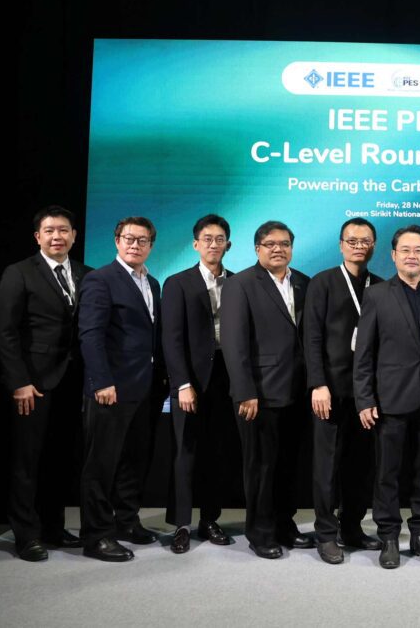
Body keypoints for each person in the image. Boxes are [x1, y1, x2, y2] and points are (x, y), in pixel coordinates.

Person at [353, 225, 420, 569]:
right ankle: (389, 537)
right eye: (406, 250)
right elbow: (364, 353)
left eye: (418, 250)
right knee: (388, 473)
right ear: (394, 255)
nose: (412, 256)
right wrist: (365, 399)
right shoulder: (377, 295)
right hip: (390, 400)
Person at [0, 205, 90, 561]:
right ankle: (26, 535)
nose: (57, 236)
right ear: (38, 237)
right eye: (49, 231)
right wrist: (18, 381)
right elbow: (5, 332)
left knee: (61, 459)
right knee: (27, 461)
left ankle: (53, 527)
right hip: (32, 383)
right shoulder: (18, 273)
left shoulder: (87, 274)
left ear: (74, 236)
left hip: (74, 382)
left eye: (63, 230)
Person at [222, 220, 313, 559]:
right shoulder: (240, 284)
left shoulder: (303, 282)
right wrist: (245, 391)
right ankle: (260, 533)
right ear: (257, 248)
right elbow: (233, 342)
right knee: (261, 466)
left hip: (297, 391)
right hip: (258, 394)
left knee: (289, 465)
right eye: (270, 244)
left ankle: (284, 526)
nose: (278, 249)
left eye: (284, 244)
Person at [79, 217, 166, 562]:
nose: (135, 245)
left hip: (145, 390)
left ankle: (126, 522)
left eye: (142, 240)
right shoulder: (100, 279)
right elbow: (90, 335)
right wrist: (101, 381)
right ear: (117, 241)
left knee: (133, 461)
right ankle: (96, 535)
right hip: (110, 389)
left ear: (151, 246)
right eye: (128, 238)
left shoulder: (152, 283)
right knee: (101, 465)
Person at [304, 219, 383, 564]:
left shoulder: (380, 285)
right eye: (352, 240)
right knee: (327, 466)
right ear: (341, 245)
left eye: (365, 241)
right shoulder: (322, 282)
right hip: (330, 390)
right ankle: (326, 533)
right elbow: (312, 337)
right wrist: (317, 383)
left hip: (367, 393)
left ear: (373, 246)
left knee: (360, 464)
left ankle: (352, 527)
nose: (358, 246)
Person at [160, 214, 237, 554]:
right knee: (185, 451)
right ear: (195, 244)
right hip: (190, 380)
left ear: (228, 245)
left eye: (219, 239)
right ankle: (181, 525)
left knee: (217, 452)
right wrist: (181, 384)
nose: (213, 244)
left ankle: (209, 520)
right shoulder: (178, 283)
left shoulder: (238, 282)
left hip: (226, 378)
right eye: (207, 239)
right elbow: (171, 338)